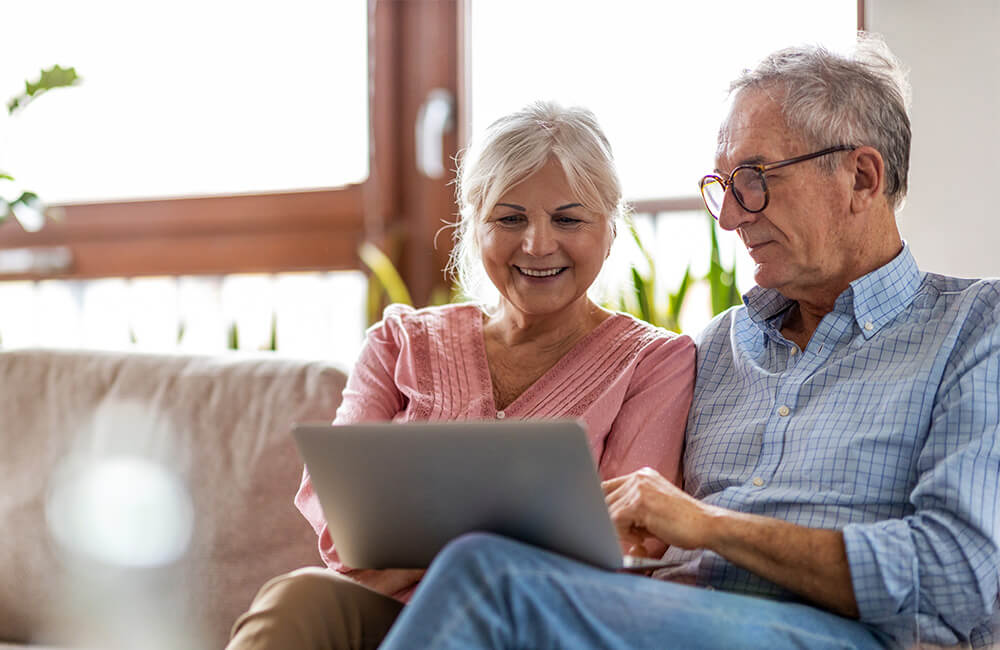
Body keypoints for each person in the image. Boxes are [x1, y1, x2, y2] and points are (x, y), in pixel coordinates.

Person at [376, 34, 1000, 650]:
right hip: (666, 613)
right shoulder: (714, 348)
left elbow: (957, 575)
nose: (729, 217)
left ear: (862, 177)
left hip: (840, 631)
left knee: (490, 578)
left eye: (753, 179)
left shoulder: (974, 328)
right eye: (722, 187)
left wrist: (708, 526)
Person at [225, 101, 696, 649]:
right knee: (301, 596)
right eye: (509, 217)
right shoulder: (399, 340)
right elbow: (344, 531)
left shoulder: (654, 361)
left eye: (568, 218)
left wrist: (416, 554)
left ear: (611, 230)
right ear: (474, 226)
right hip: (386, 617)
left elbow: (622, 545)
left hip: (527, 628)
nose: (538, 244)